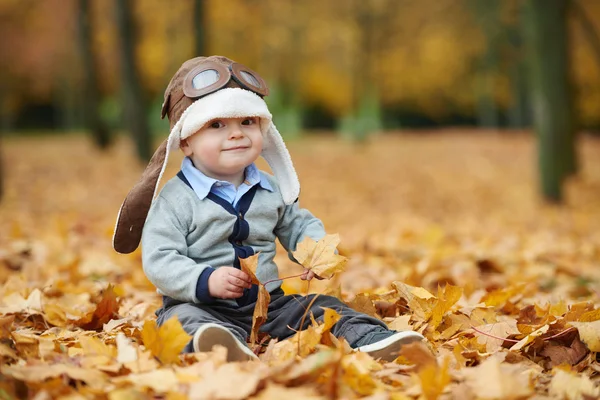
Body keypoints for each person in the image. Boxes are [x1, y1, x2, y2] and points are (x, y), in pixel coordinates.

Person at [112, 55, 424, 362]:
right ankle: (217, 346)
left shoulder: (269, 188)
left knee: (322, 307)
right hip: (199, 304)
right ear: (186, 142)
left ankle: (372, 340)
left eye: (247, 121)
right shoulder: (174, 200)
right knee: (179, 322)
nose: (236, 133)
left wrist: (314, 251)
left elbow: (297, 224)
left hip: (270, 306)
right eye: (217, 124)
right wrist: (204, 280)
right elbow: (159, 258)